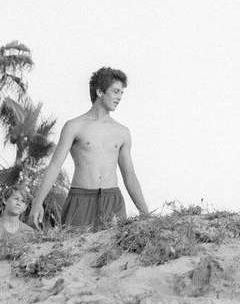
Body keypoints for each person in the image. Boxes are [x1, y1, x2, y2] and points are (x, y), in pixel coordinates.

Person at [28, 67, 150, 230]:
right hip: (81, 199)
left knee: (114, 246)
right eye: (115, 91)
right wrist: (37, 203)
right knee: (74, 245)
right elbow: (55, 166)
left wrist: (146, 214)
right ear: (99, 91)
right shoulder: (74, 126)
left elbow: (129, 175)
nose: (119, 97)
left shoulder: (122, 132)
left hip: (112, 200)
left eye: (121, 93)